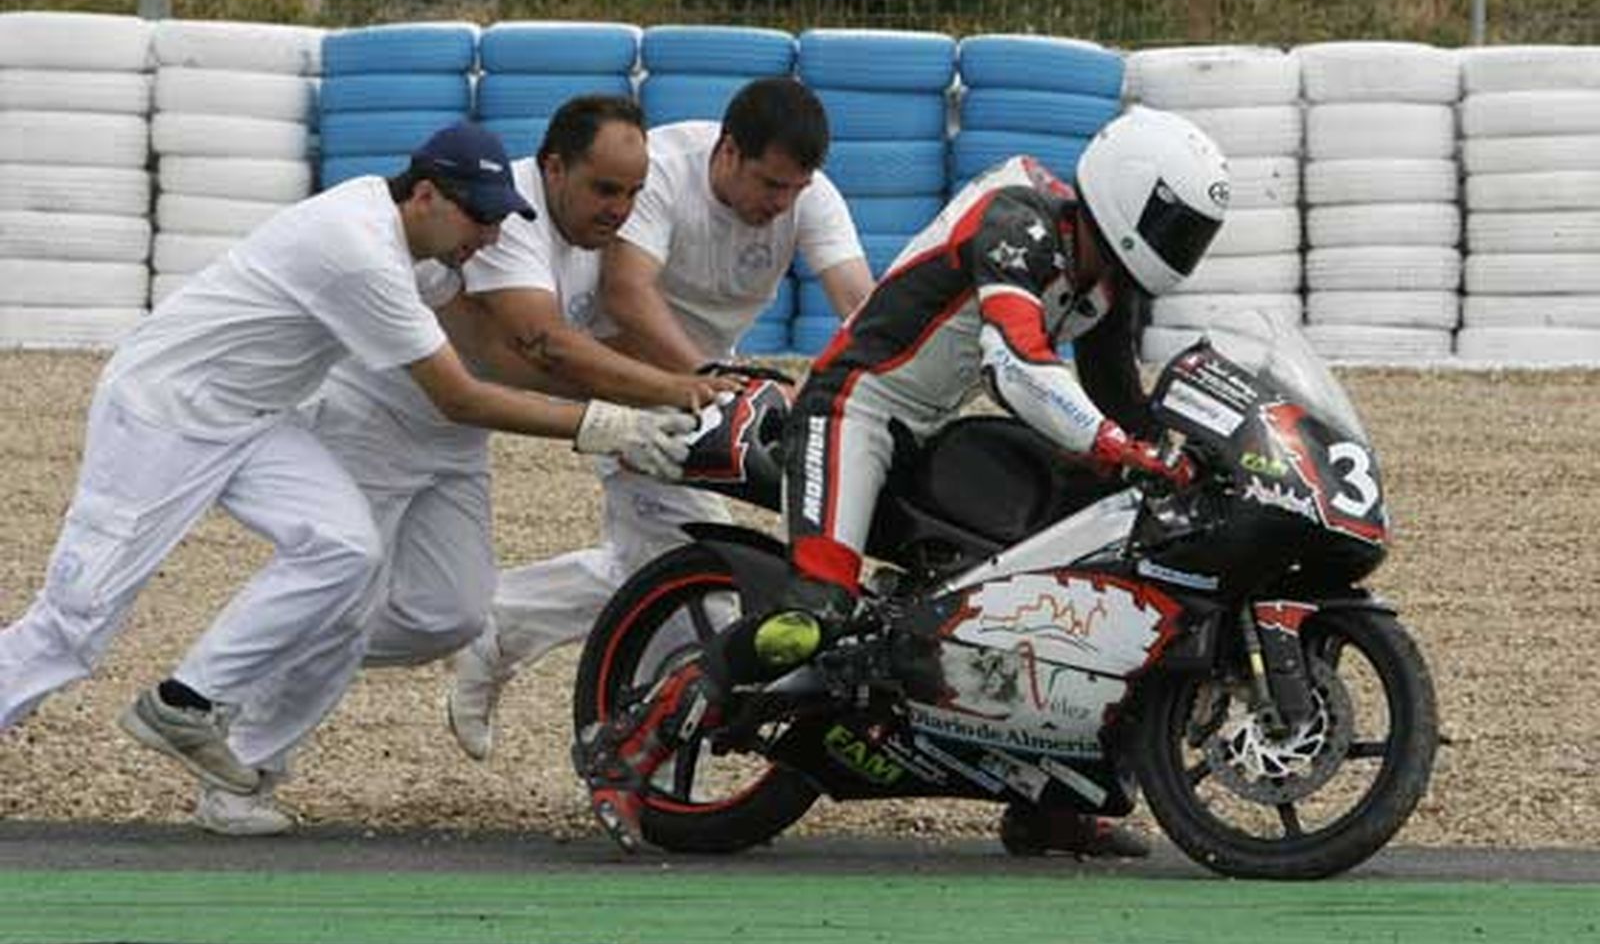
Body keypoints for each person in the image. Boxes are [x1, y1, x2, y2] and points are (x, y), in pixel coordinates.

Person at [575, 105, 1232, 856]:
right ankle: (629, 744)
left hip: (923, 431)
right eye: (1176, 225)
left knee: (1085, 564)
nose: (1183, 246)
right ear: (1129, 195)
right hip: (853, 409)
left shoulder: (1105, 278)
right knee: (813, 616)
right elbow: (1016, 364)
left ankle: (1048, 798)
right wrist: (1116, 443)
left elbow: (1119, 395)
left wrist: (1182, 456)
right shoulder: (1020, 221)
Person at [0, 121, 695, 820]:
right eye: (479, 217)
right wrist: (607, 424)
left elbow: (497, 355)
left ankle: (186, 700)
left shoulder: (421, 248)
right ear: (425, 195)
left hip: (258, 417)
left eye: (497, 220)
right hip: (163, 410)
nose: (489, 237)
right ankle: (203, 713)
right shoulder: (360, 252)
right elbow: (459, 396)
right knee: (74, 624)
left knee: (346, 552)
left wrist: (633, 401)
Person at [184, 94, 733, 836]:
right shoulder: (506, 215)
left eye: (634, 193)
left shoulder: (598, 232)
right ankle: (238, 769)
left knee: (451, 614)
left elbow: (598, 333)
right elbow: (541, 346)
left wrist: (683, 390)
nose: (620, 209)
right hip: (376, 417)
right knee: (341, 601)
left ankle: (253, 654)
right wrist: (669, 396)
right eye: (605, 189)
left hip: (457, 434)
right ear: (554, 168)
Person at [445, 76, 874, 762]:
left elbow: (859, 299)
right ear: (727, 152)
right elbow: (627, 291)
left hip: (701, 390)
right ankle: (647, 760)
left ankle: (505, 626)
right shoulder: (662, 171)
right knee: (704, 589)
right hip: (632, 378)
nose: (780, 204)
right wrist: (700, 381)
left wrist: (887, 371)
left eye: (794, 189)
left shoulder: (807, 195)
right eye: (770, 184)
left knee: (660, 568)